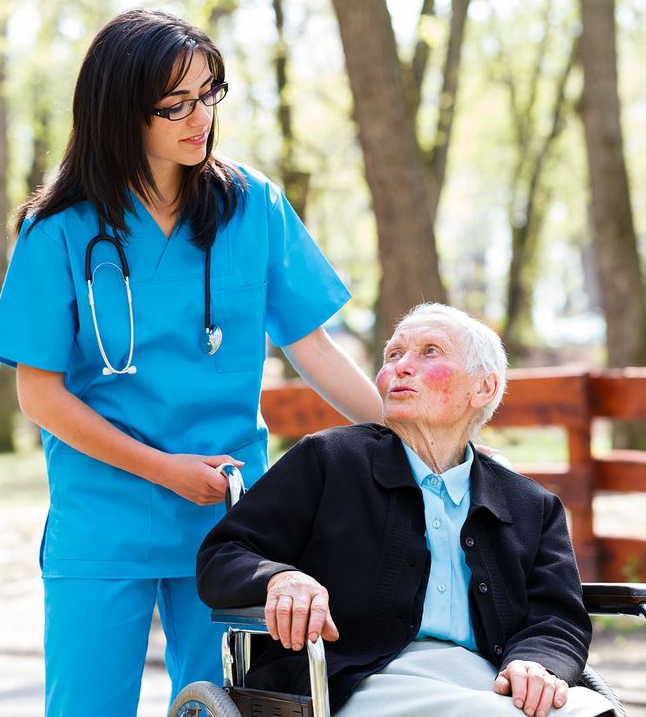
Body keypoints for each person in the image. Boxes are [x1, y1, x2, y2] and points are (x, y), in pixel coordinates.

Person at [0, 8, 381, 715]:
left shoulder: (251, 206)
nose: (200, 117)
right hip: (103, 516)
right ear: (119, 112)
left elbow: (312, 345)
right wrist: (163, 470)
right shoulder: (57, 232)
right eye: (175, 104)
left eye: (209, 93)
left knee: (224, 709)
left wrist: (414, 437)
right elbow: (40, 396)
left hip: (230, 523)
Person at [197, 303, 616, 717]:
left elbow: (557, 615)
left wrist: (537, 662)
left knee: (592, 711)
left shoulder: (531, 506)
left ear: (483, 389)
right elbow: (224, 554)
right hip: (358, 677)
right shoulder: (329, 460)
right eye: (393, 354)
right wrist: (279, 578)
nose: (400, 366)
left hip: (489, 678)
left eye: (429, 352)